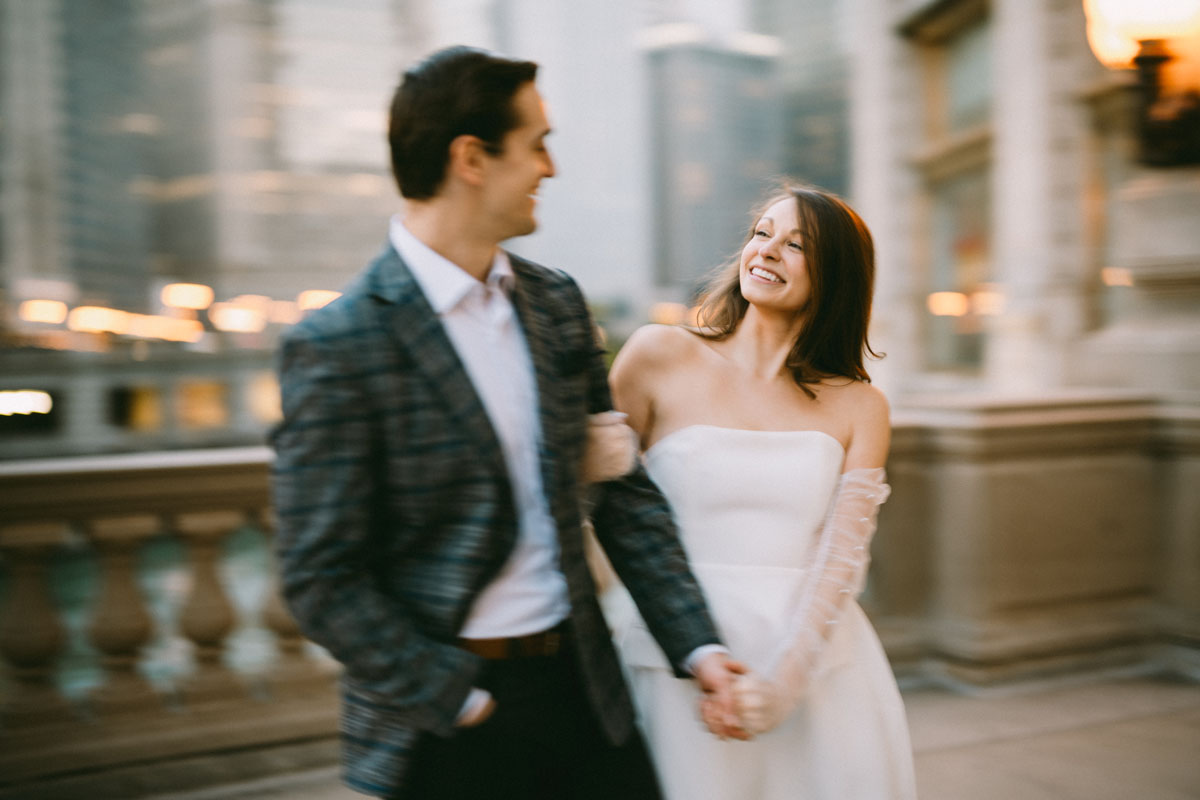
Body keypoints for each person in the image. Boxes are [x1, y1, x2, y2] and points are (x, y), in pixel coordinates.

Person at [269, 46, 745, 800]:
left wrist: (698, 643)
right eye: (537, 143)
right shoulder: (339, 344)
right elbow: (318, 576)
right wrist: (457, 697)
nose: (550, 168)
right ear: (471, 158)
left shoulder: (556, 305)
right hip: (448, 723)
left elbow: (624, 495)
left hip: (585, 690)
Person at [605, 184, 918, 799]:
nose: (768, 251)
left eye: (796, 245)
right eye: (762, 234)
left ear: (837, 279)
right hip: (668, 654)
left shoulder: (861, 405)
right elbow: (604, 503)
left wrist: (783, 685)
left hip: (811, 670)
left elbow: (843, 557)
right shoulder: (657, 354)